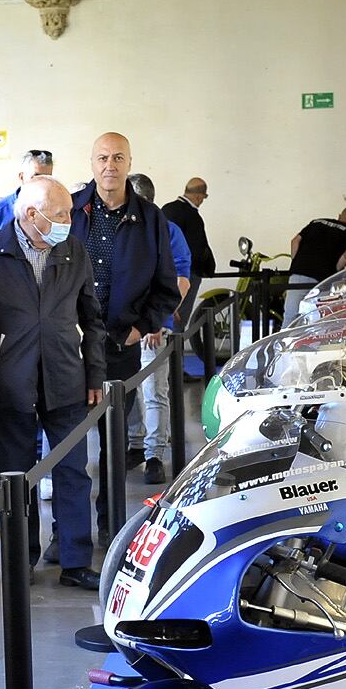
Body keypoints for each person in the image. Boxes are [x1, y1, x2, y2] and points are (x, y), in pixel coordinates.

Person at [0, 176, 104, 588]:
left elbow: (92, 318)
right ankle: (22, 559)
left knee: (73, 471)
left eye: (69, 213)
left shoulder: (72, 250)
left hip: (66, 379)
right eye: (60, 215)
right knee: (17, 476)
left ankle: (75, 561)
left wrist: (94, 373)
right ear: (32, 215)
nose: (68, 221)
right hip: (13, 383)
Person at [69, 133, 179, 539]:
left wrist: (141, 327)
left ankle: (110, 529)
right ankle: (70, 537)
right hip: (70, 348)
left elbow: (167, 286)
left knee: (113, 447)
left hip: (119, 346)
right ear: (92, 163)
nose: (109, 165)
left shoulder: (151, 218)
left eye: (118, 158)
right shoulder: (72, 209)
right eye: (102, 157)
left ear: (129, 163)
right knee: (68, 450)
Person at [125, 173, 193, 485]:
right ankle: (136, 445)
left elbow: (180, 280)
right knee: (126, 392)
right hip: (121, 330)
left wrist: (156, 320)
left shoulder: (168, 230)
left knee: (153, 392)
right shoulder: (120, 227)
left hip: (152, 329)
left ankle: (154, 454)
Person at [285, 205, 346, 325]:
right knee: (318, 319)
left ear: (339, 215)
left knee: (291, 315)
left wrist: (296, 262)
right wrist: (336, 270)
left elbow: (295, 241)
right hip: (323, 279)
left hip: (299, 272)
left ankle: (284, 341)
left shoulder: (316, 222)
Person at [162, 176, 215, 328]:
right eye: (203, 198)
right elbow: (198, 249)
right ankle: (175, 350)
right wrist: (207, 268)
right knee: (180, 317)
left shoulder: (166, 209)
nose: (202, 201)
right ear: (199, 195)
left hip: (164, 271)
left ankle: (164, 348)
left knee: (166, 312)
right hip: (187, 273)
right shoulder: (193, 216)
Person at [0, 148, 54, 231]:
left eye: (47, 178)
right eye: (36, 176)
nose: (42, 182)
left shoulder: (57, 209)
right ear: (21, 177)